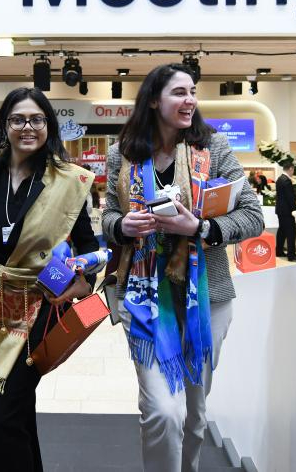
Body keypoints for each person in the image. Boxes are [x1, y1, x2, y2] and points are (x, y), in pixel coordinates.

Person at [101, 63, 265, 472]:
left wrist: (201, 227)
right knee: (162, 411)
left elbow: (252, 216)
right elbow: (108, 216)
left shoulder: (215, 148)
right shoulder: (122, 154)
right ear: (153, 101)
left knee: (195, 415)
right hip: (142, 297)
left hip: (206, 300)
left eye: (193, 91)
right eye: (179, 92)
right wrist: (122, 226)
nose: (189, 99)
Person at [0, 87, 101, 471]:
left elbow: (88, 246)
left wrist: (82, 281)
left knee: (4, 414)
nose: (27, 127)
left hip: (42, 305)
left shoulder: (67, 180)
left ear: (48, 125)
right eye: (18, 119)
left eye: (36, 119)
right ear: (4, 126)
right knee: (19, 407)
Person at [273, 160, 296, 261]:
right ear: (291, 169)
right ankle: (291, 255)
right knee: (291, 232)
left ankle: (279, 251)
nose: (293, 172)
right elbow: (290, 198)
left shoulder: (280, 179)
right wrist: (295, 210)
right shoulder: (287, 180)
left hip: (280, 210)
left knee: (282, 231)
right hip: (287, 211)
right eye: (293, 170)